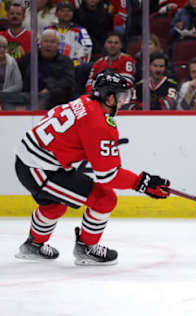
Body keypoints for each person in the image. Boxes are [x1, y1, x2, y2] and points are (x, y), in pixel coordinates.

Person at [14, 70, 171, 265]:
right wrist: (143, 183)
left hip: (30, 161)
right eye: (121, 97)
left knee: (54, 205)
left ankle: (33, 246)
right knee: (105, 198)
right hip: (39, 169)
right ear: (109, 97)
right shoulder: (99, 123)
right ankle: (86, 248)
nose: (123, 102)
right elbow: (108, 175)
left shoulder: (85, 102)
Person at [17, 29, 75, 109]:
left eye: (52, 42)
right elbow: (18, 75)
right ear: (40, 43)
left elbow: (68, 81)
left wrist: (49, 88)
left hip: (55, 99)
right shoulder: (29, 58)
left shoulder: (66, 61)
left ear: (58, 45)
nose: (49, 45)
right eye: (46, 41)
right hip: (28, 95)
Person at [44, 1, 93, 67]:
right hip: (49, 67)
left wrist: (73, 64)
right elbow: (40, 48)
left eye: (69, 11)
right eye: (62, 11)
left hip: (72, 69)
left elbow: (86, 49)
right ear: (56, 13)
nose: (66, 13)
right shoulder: (48, 30)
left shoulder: (80, 31)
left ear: (73, 13)